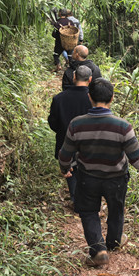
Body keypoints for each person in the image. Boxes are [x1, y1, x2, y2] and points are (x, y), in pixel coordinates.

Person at [59, 78, 139, 267]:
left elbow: (65, 154)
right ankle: (113, 242)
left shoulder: (76, 124)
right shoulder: (123, 126)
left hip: (87, 179)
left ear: (89, 97)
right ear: (112, 98)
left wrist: (65, 168)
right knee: (116, 209)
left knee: (88, 212)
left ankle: (98, 250)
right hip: (116, 180)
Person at [47, 65, 93, 204]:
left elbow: (52, 122)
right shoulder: (93, 99)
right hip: (89, 144)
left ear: (74, 77)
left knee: (70, 171)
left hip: (65, 141)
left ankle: (76, 199)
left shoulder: (59, 98)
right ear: (90, 79)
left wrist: (62, 131)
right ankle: (88, 200)